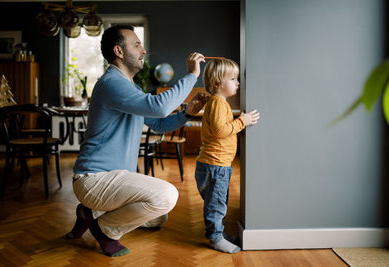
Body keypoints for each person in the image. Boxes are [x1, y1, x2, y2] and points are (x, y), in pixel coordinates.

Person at [65, 25, 208, 257]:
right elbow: (160, 107)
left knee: (158, 216)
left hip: (116, 178)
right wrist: (192, 75)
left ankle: (89, 212)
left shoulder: (130, 87)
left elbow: (158, 124)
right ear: (119, 51)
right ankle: (104, 230)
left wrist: (187, 113)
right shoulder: (112, 82)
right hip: (94, 178)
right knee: (166, 196)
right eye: (136, 45)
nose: (143, 51)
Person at [195, 58, 260, 253]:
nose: (237, 83)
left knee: (218, 202)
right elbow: (220, 131)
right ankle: (215, 238)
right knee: (216, 204)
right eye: (232, 78)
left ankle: (219, 232)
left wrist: (239, 118)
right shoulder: (218, 103)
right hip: (215, 166)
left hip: (216, 165)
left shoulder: (219, 103)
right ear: (217, 83)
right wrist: (243, 121)